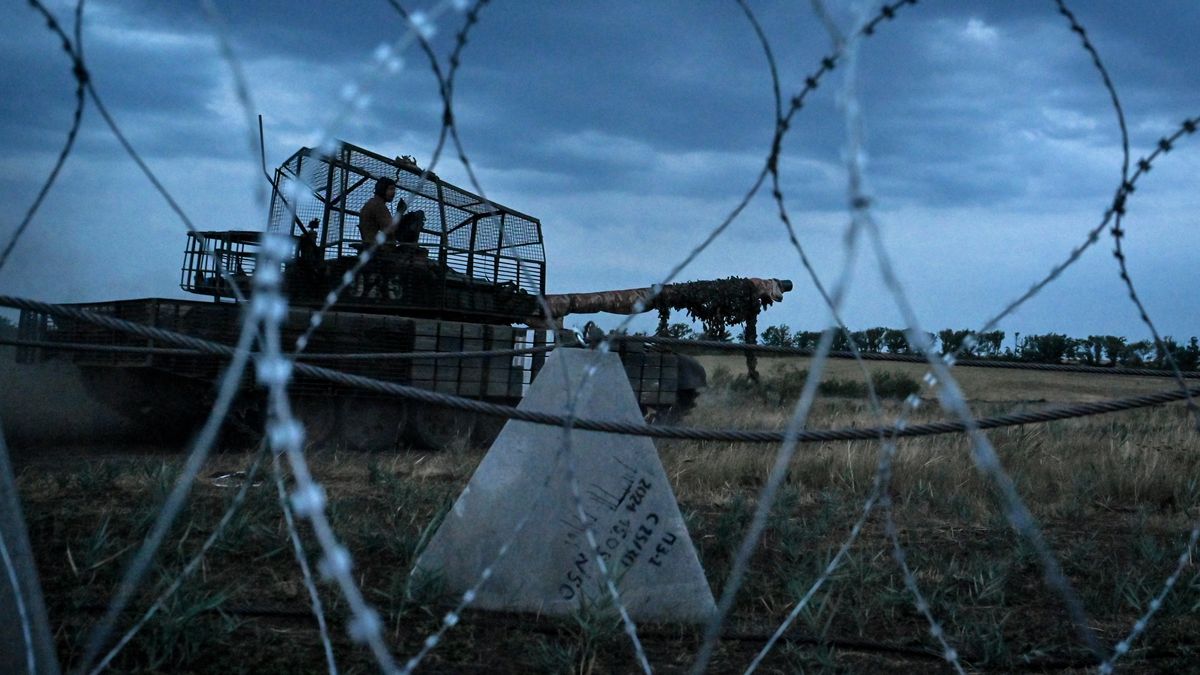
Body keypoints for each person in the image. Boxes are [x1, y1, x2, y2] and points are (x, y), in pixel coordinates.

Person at [358, 176, 397, 248]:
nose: (394, 192)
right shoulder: (378, 205)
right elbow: (390, 229)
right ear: (382, 189)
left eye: (394, 189)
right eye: (391, 189)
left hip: (370, 244)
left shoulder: (372, 202)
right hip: (377, 248)